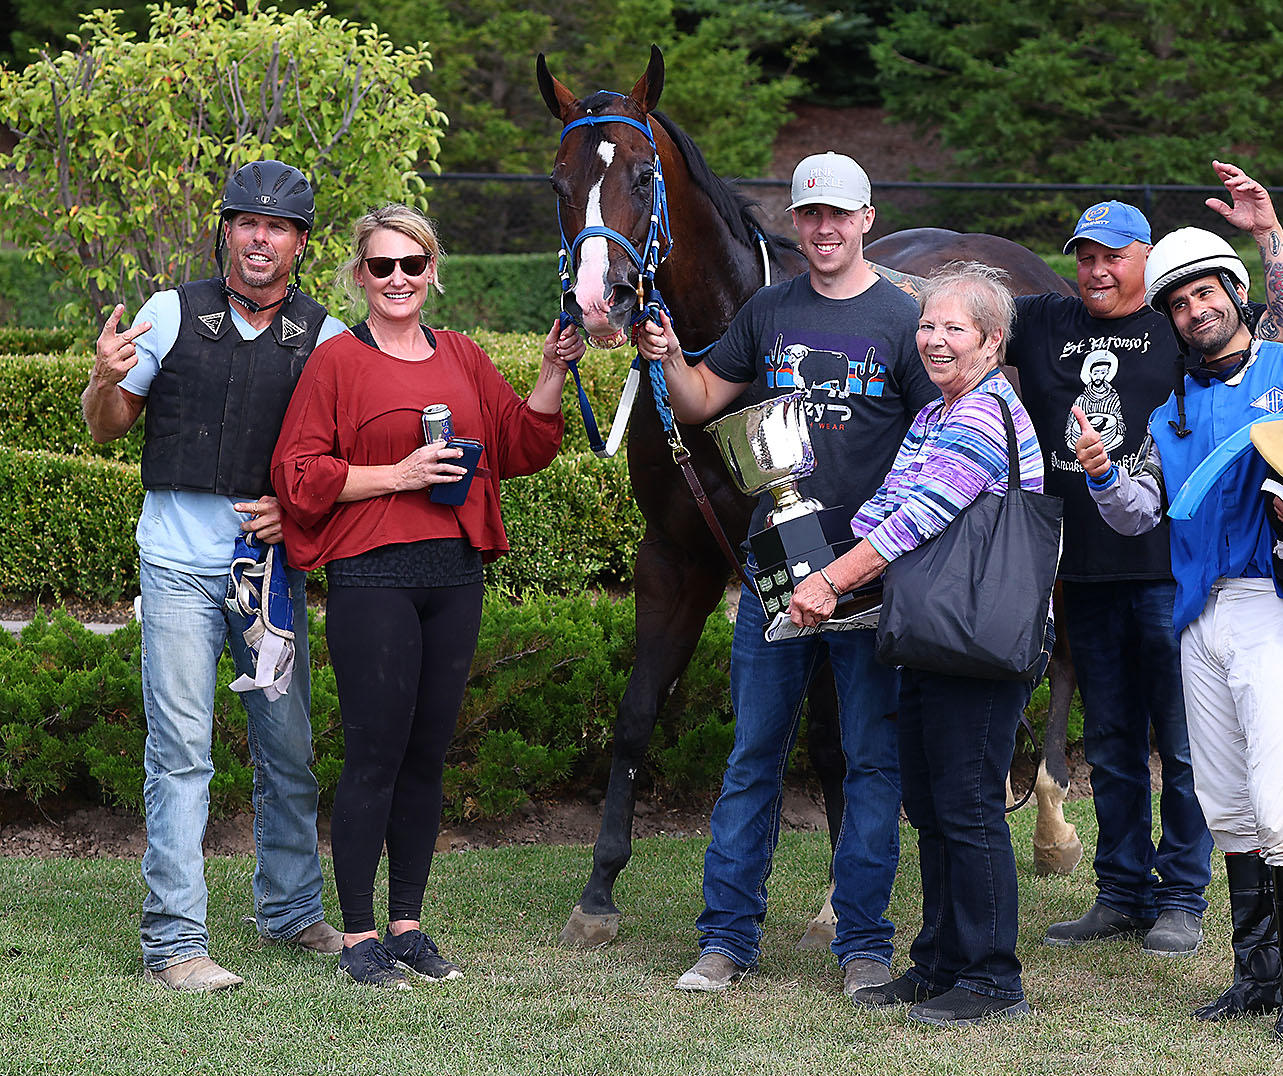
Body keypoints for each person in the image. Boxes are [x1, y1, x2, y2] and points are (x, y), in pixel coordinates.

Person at [1072, 227, 1283, 1037]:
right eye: (1179, 303)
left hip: (1274, 607)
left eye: (1206, 293)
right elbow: (1138, 515)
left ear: (1234, 290)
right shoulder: (1170, 411)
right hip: (1195, 615)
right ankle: (1255, 976)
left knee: (1273, 799)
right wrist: (1101, 473)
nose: (1196, 311)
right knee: (1223, 803)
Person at [638, 152, 939, 997]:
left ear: (868, 218)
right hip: (776, 571)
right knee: (754, 757)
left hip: (871, 576)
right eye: (810, 215)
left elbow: (937, 445)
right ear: (797, 221)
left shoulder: (903, 319)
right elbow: (701, 401)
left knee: (872, 762)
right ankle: (725, 943)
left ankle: (865, 947)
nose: (825, 228)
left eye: (840, 214)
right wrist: (667, 354)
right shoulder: (769, 310)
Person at [1005, 162, 1283, 956]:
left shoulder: (1183, 328)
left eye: (1113, 255)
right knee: (1108, 741)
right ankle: (1121, 892)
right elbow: (951, 315)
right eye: (1085, 255)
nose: (1097, 270)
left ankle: (1184, 894)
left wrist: (1267, 230)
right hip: (1084, 567)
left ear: (1148, 257)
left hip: (1178, 573)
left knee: (1181, 745)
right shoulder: (1043, 321)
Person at [270, 204, 580, 989]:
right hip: (372, 575)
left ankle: (406, 923)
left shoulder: (464, 355)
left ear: (433, 271)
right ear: (360, 277)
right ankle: (357, 936)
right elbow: (298, 474)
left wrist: (549, 373)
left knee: (426, 755)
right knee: (374, 753)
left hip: (454, 574)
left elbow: (520, 444)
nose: (398, 279)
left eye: (413, 264)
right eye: (382, 267)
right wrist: (397, 476)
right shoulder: (338, 361)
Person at [80, 159, 348, 991]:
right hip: (175, 567)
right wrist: (104, 377)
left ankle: (292, 909)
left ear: (301, 242)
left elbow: (341, 462)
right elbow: (106, 429)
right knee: (181, 753)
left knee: (289, 748)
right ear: (225, 231)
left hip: (268, 573)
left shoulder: (327, 337)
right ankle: (175, 944)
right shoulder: (170, 312)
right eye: (245, 222)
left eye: (277, 226)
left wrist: (295, 512)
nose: (259, 237)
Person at [788, 263, 1044, 1026]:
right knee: (932, 805)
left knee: (968, 808)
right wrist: (802, 551)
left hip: (979, 639)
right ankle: (939, 963)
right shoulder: (936, 413)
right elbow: (885, 506)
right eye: (927, 325)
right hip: (938, 633)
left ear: (992, 342)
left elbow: (918, 519)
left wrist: (830, 582)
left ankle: (994, 980)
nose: (933, 339)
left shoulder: (978, 415)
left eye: (953, 328)